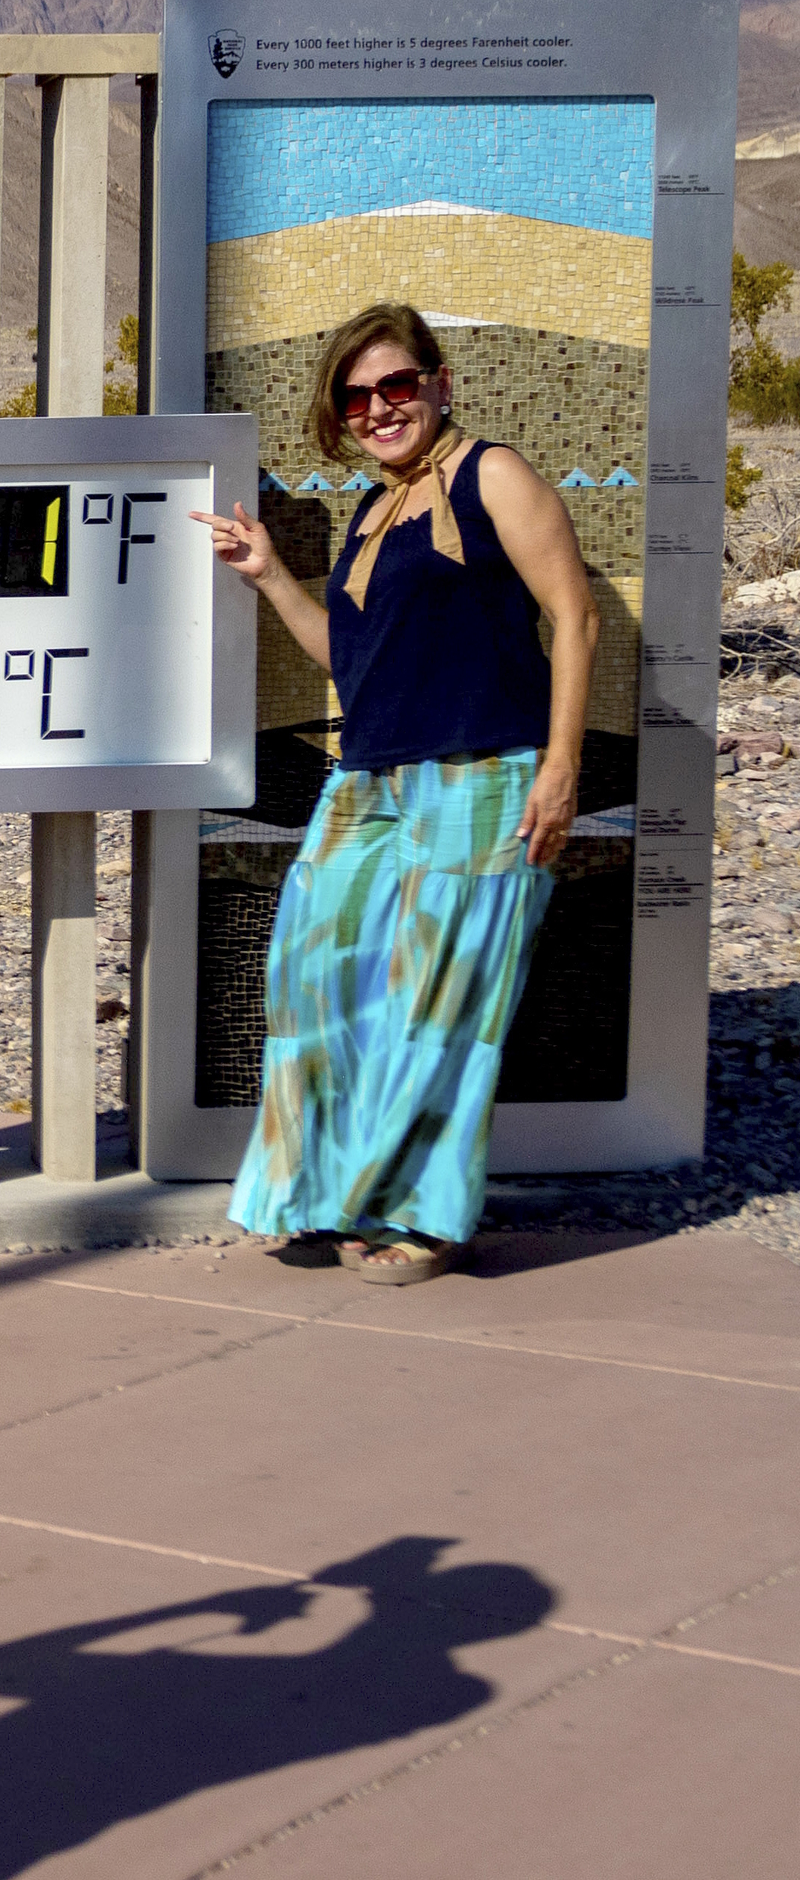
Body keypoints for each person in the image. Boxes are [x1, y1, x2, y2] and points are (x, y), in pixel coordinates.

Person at [193, 300, 596, 1284]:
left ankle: (428, 1214)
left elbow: (575, 614)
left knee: (438, 1004)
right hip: (369, 780)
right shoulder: (375, 509)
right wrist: (274, 575)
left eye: (397, 386)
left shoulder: (488, 474)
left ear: (438, 384)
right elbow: (354, 657)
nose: (380, 407)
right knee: (313, 975)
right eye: (359, 395)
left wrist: (562, 764)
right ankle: (326, 1192)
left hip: (484, 775)